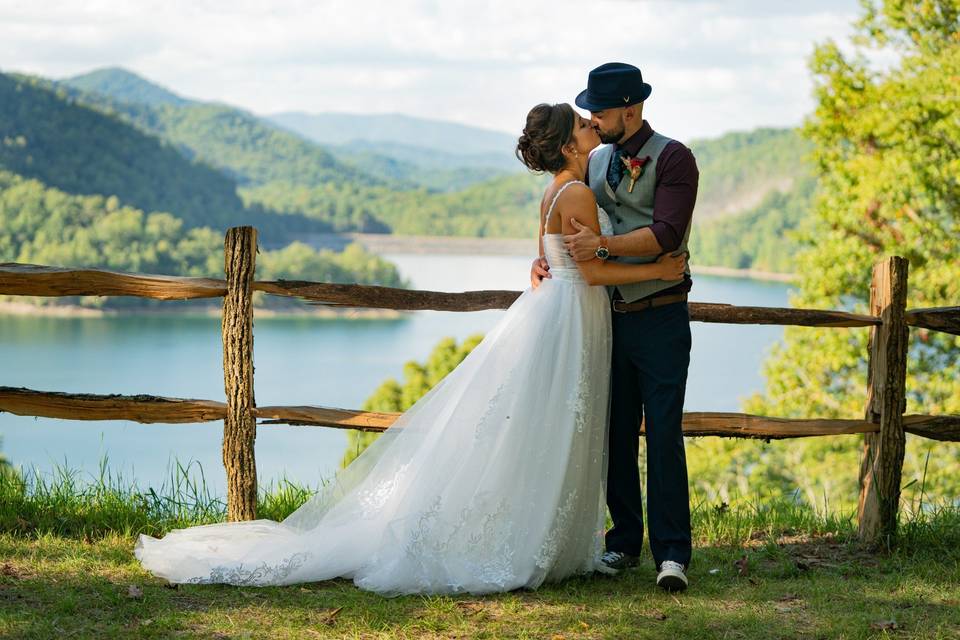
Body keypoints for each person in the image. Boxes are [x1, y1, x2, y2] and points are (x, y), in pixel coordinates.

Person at [134, 103, 686, 596]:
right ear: (569, 145)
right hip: (573, 311)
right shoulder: (580, 191)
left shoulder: (554, 191)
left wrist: (557, 264)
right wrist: (662, 267)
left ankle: (555, 535)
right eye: (584, 124)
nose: (593, 126)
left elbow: (552, 255)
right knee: (557, 421)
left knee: (550, 422)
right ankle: (535, 538)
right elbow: (588, 270)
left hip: (564, 312)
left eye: (595, 120)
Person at [531, 62, 698, 592]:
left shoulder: (675, 158)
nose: (593, 120)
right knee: (615, 433)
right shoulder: (594, 159)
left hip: (660, 316)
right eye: (590, 114)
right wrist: (545, 260)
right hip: (606, 320)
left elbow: (666, 234)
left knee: (665, 434)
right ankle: (623, 542)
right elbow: (563, 221)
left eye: (600, 112)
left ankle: (672, 555)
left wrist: (602, 248)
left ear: (631, 107)